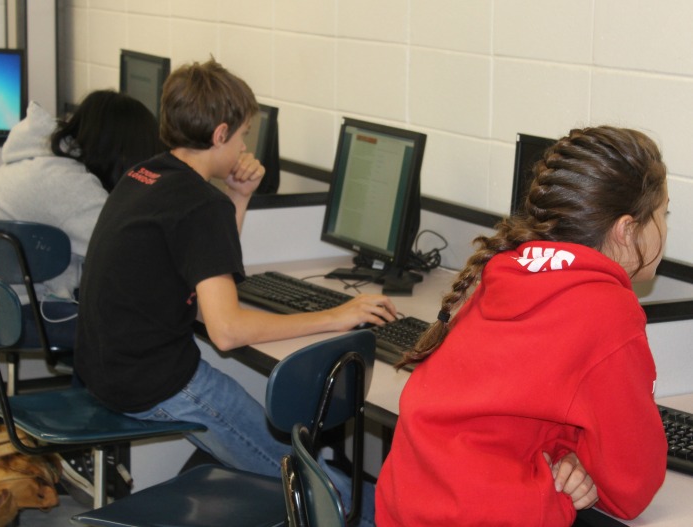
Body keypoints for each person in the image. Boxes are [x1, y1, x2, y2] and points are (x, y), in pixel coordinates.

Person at [74, 58, 396, 526]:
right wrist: (338, 315)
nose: (246, 146)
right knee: (322, 488)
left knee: (274, 431)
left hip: (108, 369)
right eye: (244, 135)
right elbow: (225, 331)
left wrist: (238, 198)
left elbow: (204, 259)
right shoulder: (198, 203)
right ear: (221, 133)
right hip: (157, 382)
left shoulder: (147, 175)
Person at [375, 126, 670, 526]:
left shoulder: (506, 270)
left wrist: (569, 453)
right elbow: (630, 487)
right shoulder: (606, 309)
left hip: (407, 508)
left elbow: (520, 410)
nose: (667, 229)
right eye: (663, 214)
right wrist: (582, 464)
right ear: (626, 230)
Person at [0, 91, 164, 348]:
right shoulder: (70, 185)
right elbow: (131, 253)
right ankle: (92, 389)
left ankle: (88, 387)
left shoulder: (43, 159)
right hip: (13, 313)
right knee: (142, 326)